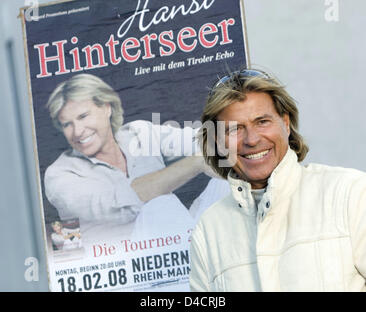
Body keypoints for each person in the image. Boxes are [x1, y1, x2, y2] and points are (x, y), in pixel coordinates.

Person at [189, 68, 366, 291]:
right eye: (234, 129)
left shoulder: (349, 192)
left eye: (262, 121)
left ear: (286, 123)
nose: (252, 140)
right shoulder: (208, 231)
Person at [44, 73, 230, 243]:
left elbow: (198, 140)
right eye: (67, 124)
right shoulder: (60, 175)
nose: (77, 131)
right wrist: (197, 162)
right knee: (159, 205)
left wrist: (233, 135)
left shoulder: (137, 133)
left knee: (230, 174)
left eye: (83, 116)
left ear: (107, 108)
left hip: (180, 239)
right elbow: (120, 204)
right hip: (124, 264)